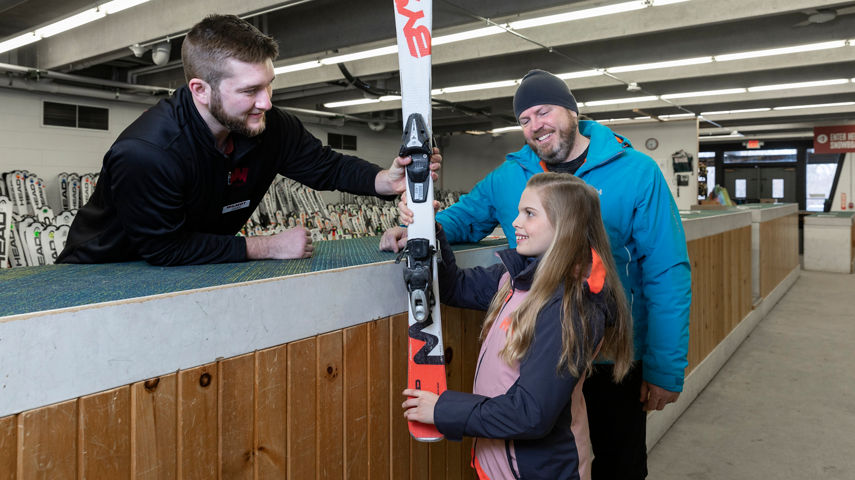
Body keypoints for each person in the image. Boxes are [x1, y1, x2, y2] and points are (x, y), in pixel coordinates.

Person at [386, 69, 691, 479]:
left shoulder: (636, 171)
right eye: (524, 119)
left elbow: (666, 272)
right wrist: (420, 224)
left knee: (620, 463)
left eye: (543, 111)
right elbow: (463, 219)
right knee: (559, 454)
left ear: (571, 110)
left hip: (610, 358)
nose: (534, 126)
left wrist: (665, 369)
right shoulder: (511, 174)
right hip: (540, 355)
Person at [56, 14, 440, 266]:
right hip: (101, 272)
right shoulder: (148, 153)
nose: (266, 102)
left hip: (187, 266)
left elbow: (326, 165)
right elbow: (166, 248)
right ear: (200, 89)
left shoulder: (268, 125)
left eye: (269, 85)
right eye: (250, 90)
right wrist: (268, 247)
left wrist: (386, 181)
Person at [402, 173, 633, 480]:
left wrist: (443, 409)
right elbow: (454, 287)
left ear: (565, 226)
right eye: (519, 211)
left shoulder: (571, 309)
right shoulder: (515, 277)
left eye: (529, 213)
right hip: (498, 464)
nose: (514, 222)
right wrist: (432, 231)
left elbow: (531, 414)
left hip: (539, 471)